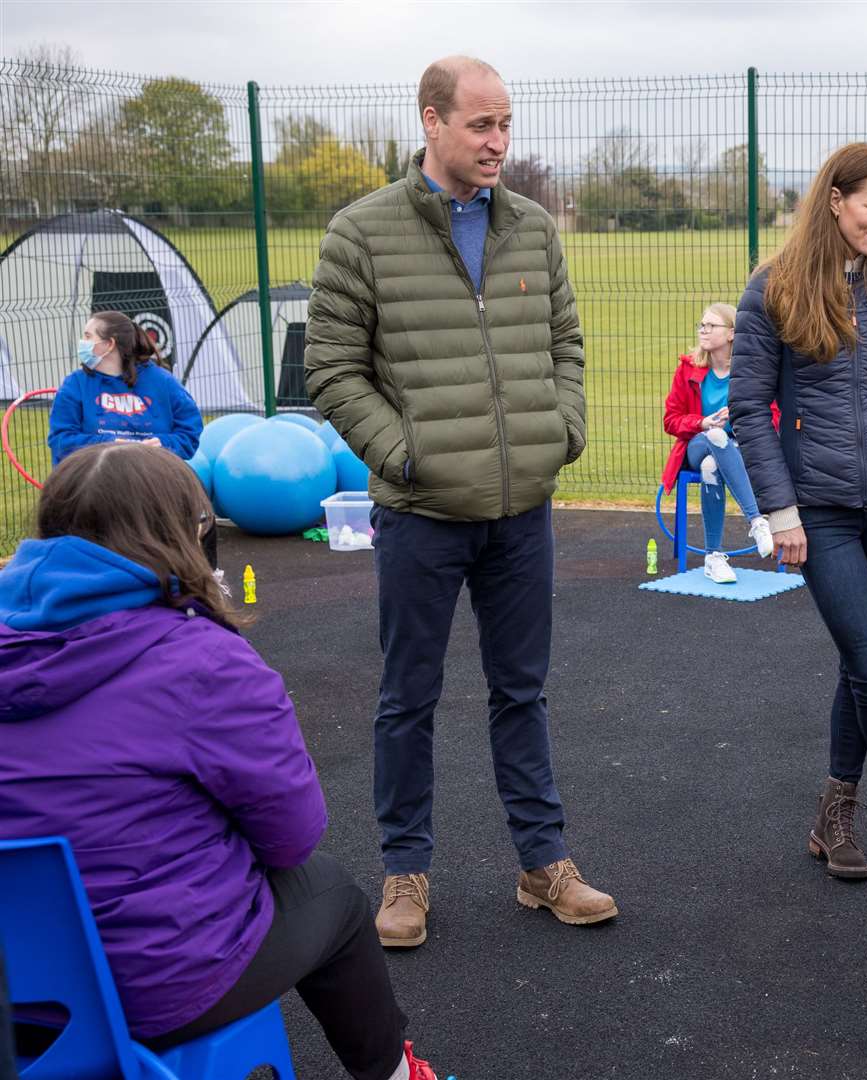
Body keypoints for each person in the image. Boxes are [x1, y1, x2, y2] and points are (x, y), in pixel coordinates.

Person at [0, 443, 440, 1080]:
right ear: (183, 533)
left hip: (15, 990)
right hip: (152, 990)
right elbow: (292, 837)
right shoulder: (203, 660)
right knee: (335, 896)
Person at [305, 54, 615, 949]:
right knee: (408, 697)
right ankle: (406, 873)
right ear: (432, 121)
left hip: (524, 512)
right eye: (481, 125)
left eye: (506, 123)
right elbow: (331, 369)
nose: (499, 142)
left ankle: (542, 862)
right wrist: (405, 456)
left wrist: (563, 431)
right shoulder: (360, 232)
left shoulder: (532, 227)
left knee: (522, 692)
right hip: (421, 515)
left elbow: (565, 341)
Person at [732, 142, 867, 882]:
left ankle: (834, 812)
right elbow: (748, 413)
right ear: (835, 199)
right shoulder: (774, 289)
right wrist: (780, 511)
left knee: (865, 665)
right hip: (817, 510)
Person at [48, 310, 213, 565]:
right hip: (95, 488)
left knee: (197, 501)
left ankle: (201, 576)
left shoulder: (162, 382)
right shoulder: (75, 385)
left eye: (88, 336)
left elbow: (189, 434)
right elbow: (61, 441)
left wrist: (163, 446)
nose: (82, 342)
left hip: (150, 484)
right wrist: (110, 448)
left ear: (109, 344)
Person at [661, 302, 775, 583]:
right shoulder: (688, 369)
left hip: (740, 448)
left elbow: (773, 416)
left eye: (712, 325)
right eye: (702, 325)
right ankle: (757, 520)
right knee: (713, 437)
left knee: (713, 465)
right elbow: (671, 420)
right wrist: (702, 422)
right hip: (696, 445)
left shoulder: (750, 371)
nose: (704, 330)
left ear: (732, 334)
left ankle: (713, 558)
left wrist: (736, 420)